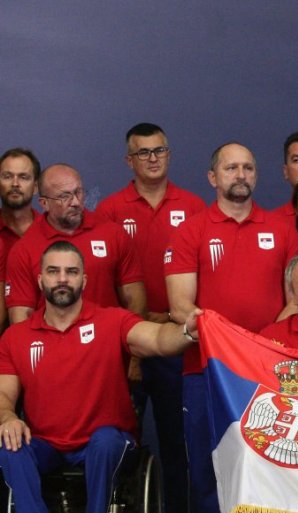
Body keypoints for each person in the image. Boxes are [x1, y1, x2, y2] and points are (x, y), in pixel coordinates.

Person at [0, 241, 201, 513]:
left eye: (71, 272)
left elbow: (157, 339)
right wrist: (8, 417)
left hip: (108, 444)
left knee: (104, 441)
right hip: (46, 445)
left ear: (83, 281)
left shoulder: (112, 321)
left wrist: (186, 332)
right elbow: (3, 394)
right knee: (9, 445)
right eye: (53, 271)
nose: (62, 279)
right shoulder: (16, 336)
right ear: (40, 279)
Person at [165, 142, 298, 513]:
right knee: (207, 471)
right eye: (231, 168)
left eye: (247, 168)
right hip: (207, 370)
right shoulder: (190, 231)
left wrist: (260, 345)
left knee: (272, 467)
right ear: (213, 177)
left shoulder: (283, 231)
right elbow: (180, 306)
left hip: (268, 372)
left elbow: (297, 299)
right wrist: (229, 343)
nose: (240, 175)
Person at [95, 122, 206, 513]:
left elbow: (204, 280)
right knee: (122, 440)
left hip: (179, 343)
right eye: (143, 152)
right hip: (128, 347)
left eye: (159, 150)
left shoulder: (193, 206)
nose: (153, 158)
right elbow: (104, 281)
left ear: (169, 154)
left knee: (179, 441)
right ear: (130, 160)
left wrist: (174, 319)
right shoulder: (109, 211)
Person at [6, 163, 146, 324]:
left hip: (108, 336)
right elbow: (21, 317)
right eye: (64, 196)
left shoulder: (113, 233)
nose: (76, 202)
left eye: (78, 192)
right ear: (44, 203)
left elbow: (134, 299)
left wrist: (128, 338)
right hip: (52, 338)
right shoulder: (24, 250)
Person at [0, 148, 40, 260]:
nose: (15, 184)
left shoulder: (48, 230)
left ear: (35, 187)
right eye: (7, 177)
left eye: (23, 177)